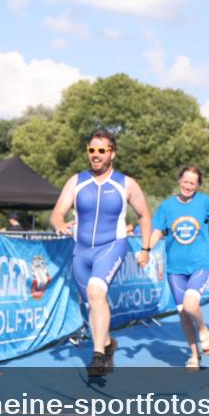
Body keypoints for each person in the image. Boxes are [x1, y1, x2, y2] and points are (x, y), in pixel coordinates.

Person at [51, 129, 152, 377]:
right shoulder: (76, 181)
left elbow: (144, 215)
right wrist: (59, 224)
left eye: (101, 150)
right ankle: (107, 344)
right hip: (81, 251)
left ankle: (97, 356)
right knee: (93, 303)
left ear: (112, 154)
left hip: (112, 246)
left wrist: (145, 248)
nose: (95, 155)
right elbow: (57, 212)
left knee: (97, 291)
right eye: (91, 150)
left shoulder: (126, 184)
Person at [148, 166, 209, 371]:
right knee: (183, 313)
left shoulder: (203, 202)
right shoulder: (166, 207)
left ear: (198, 185)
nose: (188, 186)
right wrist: (145, 249)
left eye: (192, 183)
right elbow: (157, 230)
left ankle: (203, 330)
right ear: (179, 181)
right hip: (175, 268)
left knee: (191, 305)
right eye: (185, 181)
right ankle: (194, 356)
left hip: (199, 263)